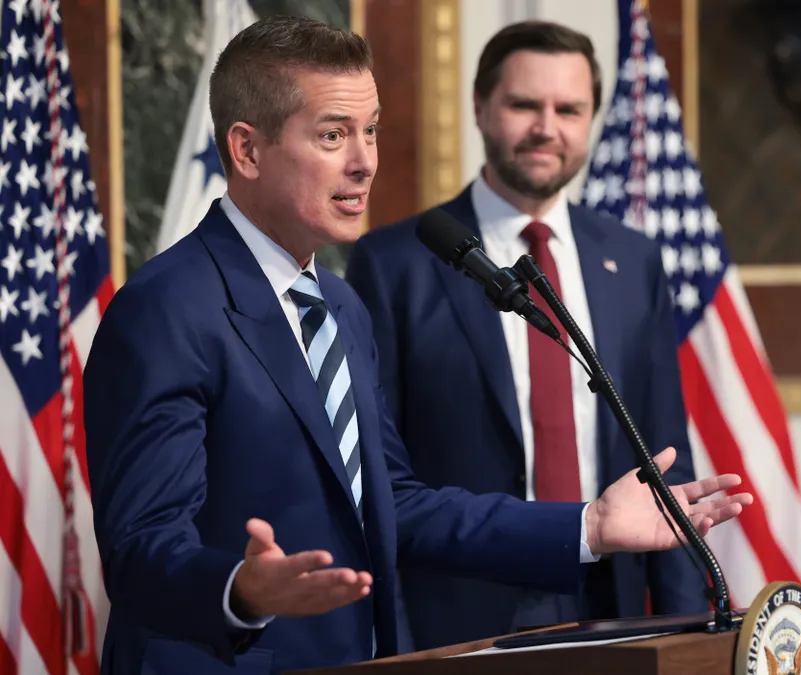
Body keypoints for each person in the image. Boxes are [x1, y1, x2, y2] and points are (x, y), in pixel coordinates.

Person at [83, 16, 750, 675]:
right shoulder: (165, 309)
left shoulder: (338, 307)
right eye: (333, 134)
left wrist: (587, 526)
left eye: (370, 131)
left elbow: (396, 502)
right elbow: (141, 546)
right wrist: (240, 587)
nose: (364, 161)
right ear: (248, 151)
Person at [343, 20, 712, 650]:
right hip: (461, 613)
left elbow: (663, 448)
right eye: (524, 105)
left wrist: (689, 632)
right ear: (481, 109)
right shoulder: (395, 262)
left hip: (609, 602)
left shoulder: (632, 260)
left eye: (570, 109)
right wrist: (395, 644)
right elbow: (378, 482)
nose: (547, 127)